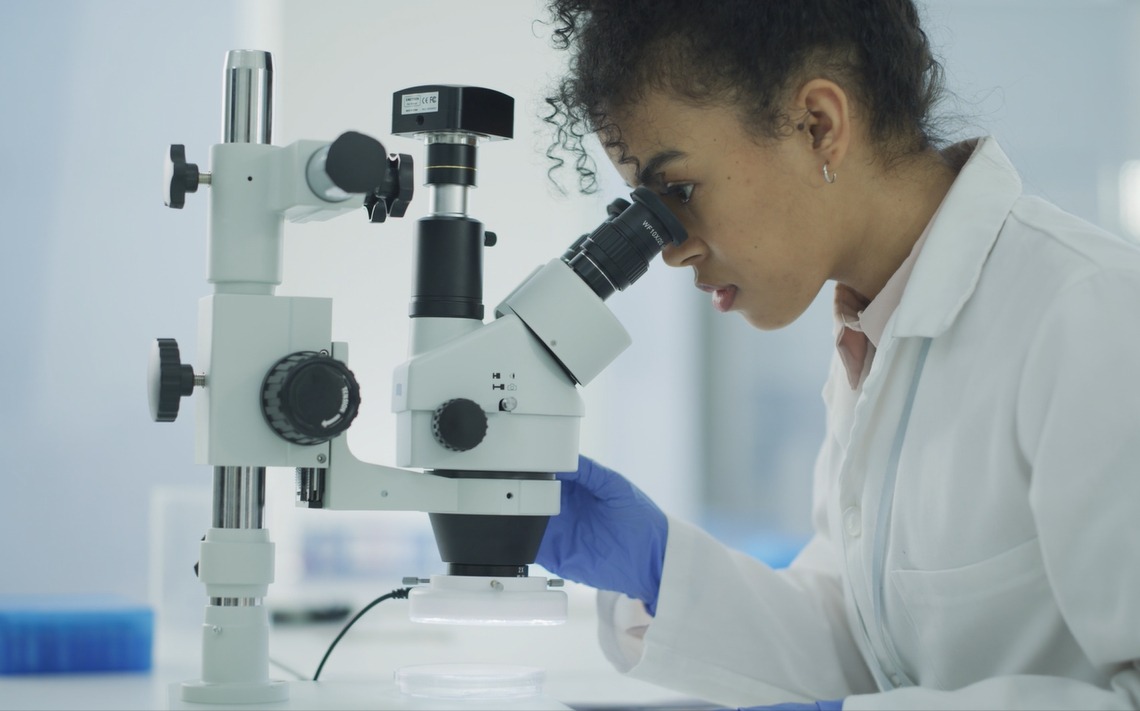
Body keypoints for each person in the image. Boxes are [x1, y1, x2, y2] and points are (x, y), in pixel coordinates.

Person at [532, 1, 1140, 709]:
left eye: (679, 191)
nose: (670, 248)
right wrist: (657, 567)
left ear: (817, 125)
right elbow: (864, 646)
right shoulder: (872, 329)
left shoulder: (1090, 314)